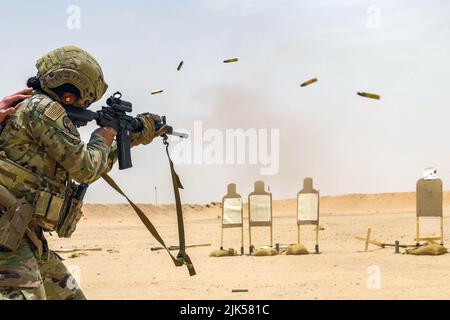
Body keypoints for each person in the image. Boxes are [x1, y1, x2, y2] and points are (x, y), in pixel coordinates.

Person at [0, 46, 165, 300]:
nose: (84, 104)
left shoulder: (34, 107)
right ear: (72, 87)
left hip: (24, 234)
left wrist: (130, 137)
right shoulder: (44, 109)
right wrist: (103, 137)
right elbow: (86, 169)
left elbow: (87, 164)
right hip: (8, 236)